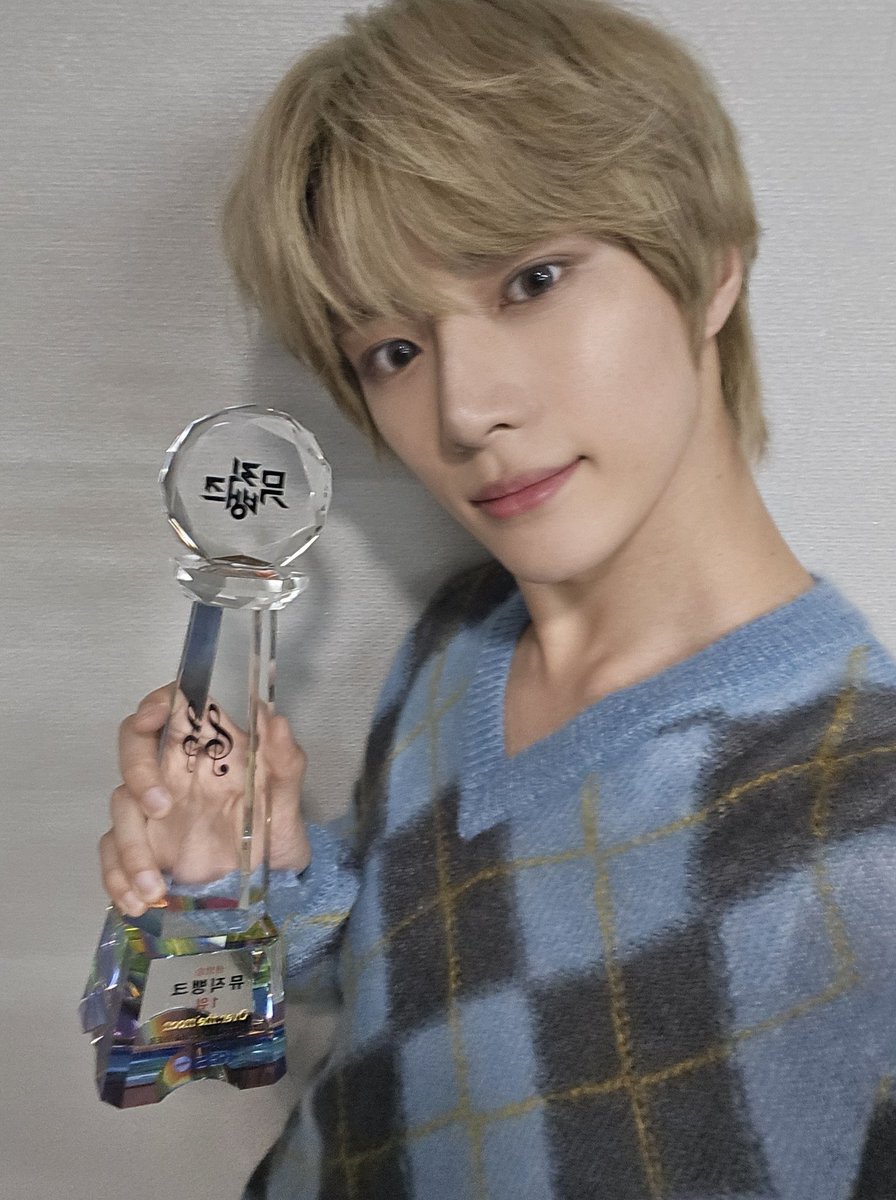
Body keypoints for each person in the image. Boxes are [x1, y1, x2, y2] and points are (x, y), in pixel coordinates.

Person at [98, 1, 896, 1196]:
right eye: (392, 350)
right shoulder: (459, 639)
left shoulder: (866, 825)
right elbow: (393, 998)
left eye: (531, 279)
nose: (465, 409)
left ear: (709, 265)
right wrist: (244, 881)